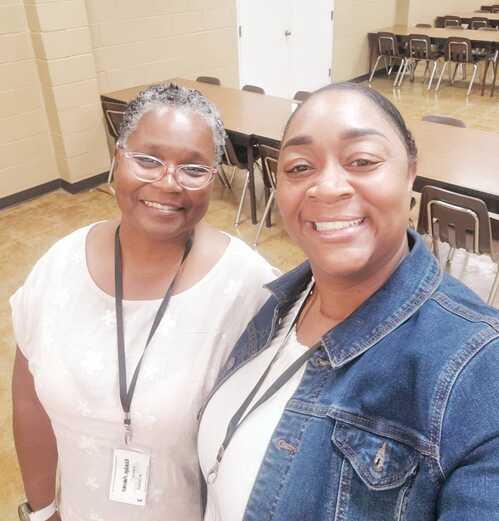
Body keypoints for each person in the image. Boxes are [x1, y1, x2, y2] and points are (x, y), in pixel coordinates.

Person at [197, 82, 499, 520]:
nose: (327, 187)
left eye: (362, 161)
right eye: (300, 167)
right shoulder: (277, 303)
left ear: (410, 173)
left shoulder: (478, 369)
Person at [11, 83, 276, 521]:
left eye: (194, 168)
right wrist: (42, 511)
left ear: (215, 176)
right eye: (148, 160)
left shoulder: (251, 289)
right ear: (118, 158)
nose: (168, 182)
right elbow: (29, 399)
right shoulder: (59, 266)